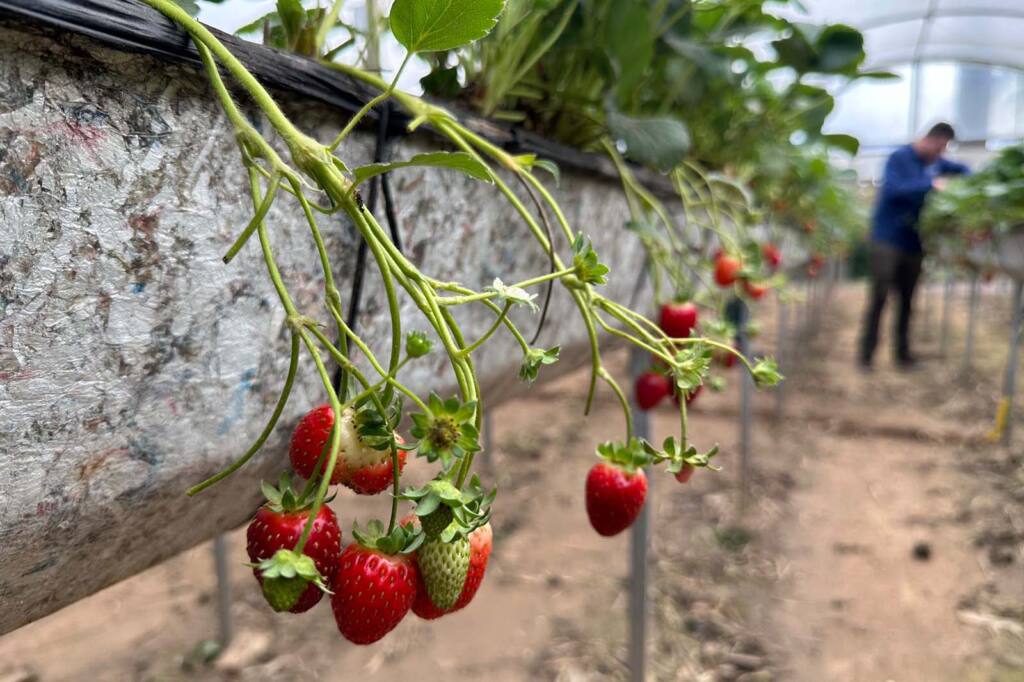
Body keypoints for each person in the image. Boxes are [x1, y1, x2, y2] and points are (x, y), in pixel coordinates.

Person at [858, 122, 970, 371]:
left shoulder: (935, 163)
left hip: (913, 243)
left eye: (944, 150)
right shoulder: (900, 158)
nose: (941, 154)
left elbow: (963, 170)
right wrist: (931, 186)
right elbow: (894, 190)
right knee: (880, 297)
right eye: (939, 147)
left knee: (908, 301)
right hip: (887, 239)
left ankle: (903, 356)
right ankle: (866, 356)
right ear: (930, 140)